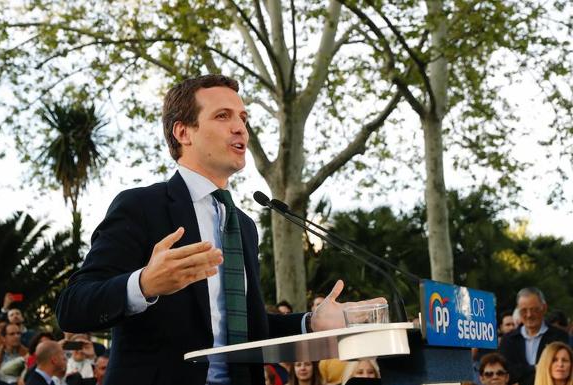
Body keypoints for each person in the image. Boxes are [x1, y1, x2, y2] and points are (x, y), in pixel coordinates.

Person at [56, 74, 385, 385]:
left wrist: (309, 323)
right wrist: (143, 284)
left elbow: (245, 330)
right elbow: (72, 307)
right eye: (223, 116)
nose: (240, 128)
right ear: (183, 132)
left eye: (243, 118)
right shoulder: (141, 207)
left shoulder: (242, 225)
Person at [500, 287, 569, 385]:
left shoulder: (559, 337)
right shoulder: (508, 340)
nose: (529, 315)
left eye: (534, 309)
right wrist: (537, 367)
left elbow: (559, 370)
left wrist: (521, 371)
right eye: (524, 310)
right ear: (518, 311)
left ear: (544, 308)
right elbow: (506, 372)